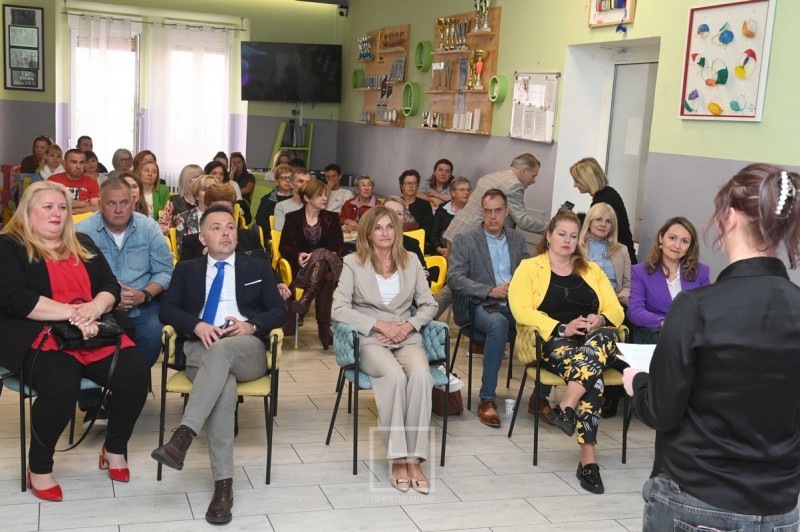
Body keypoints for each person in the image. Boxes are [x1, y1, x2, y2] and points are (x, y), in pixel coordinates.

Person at [622, 164, 800, 530]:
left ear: (730, 218)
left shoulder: (695, 307)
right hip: (780, 504)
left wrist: (638, 382)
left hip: (697, 497)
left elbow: (661, 411)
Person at [0, 181, 148, 501]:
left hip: (92, 331)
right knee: (62, 387)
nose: (57, 213)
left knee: (136, 376)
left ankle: (114, 449)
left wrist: (94, 308)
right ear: (28, 211)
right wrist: (75, 314)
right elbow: (15, 299)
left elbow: (109, 285)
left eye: (62, 207)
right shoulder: (9, 245)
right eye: (48, 207)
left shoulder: (82, 242)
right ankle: (40, 467)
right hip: (40, 335)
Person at [152, 205, 288, 525]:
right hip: (200, 347)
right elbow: (167, 311)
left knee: (223, 353)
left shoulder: (257, 267)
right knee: (223, 388)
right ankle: (223, 489)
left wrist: (250, 326)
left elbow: (279, 311)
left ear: (237, 235)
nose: (225, 232)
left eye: (230, 227)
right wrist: (197, 325)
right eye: (216, 228)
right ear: (202, 238)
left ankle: (183, 436)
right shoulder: (187, 269)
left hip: (246, 349)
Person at [509, 209, 625, 494]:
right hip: (555, 340)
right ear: (548, 236)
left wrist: (600, 319)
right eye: (561, 234)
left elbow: (616, 309)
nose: (567, 240)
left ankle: (566, 407)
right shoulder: (529, 268)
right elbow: (521, 310)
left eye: (573, 236)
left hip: (595, 340)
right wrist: (562, 327)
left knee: (599, 343)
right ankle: (588, 461)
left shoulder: (591, 270)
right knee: (592, 377)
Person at [331, 206, 438, 494]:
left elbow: (429, 304)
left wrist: (410, 325)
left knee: (421, 376)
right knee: (394, 376)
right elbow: (338, 308)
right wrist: (378, 325)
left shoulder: (411, 261)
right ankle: (398, 459)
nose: (385, 233)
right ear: (368, 232)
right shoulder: (353, 262)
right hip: (371, 337)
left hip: (406, 335)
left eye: (390, 226)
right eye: (378, 227)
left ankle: (415, 459)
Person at [448, 189, 531, 428]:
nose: (493, 216)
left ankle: (541, 398)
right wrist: (489, 290)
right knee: (499, 323)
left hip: (513, 304)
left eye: (497, 211)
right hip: (479, 304)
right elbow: (454, 278)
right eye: (488, 211)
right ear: (482, 212)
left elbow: (528, 273)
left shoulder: (517, 239)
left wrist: (518, 288)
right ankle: (487, 399)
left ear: (506, 212)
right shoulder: (466, 239)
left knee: (541, 323)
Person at [77, 177, 173, 368]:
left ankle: (135, 378)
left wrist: (144, 295)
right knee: (88, 336)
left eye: (124, 203)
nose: (119, 209)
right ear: (100, 204)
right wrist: (108, 299)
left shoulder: (149, 227)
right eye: (111, 203)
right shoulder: (82, 231)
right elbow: (75, 277)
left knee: (153, 332)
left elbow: (165, 271)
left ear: (133, 202)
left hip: (143, 303)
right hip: (97, 304)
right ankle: (103, 383)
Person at [279, 179, 344, 349]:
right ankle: (324, 331)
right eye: (320, 195)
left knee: (321, 254)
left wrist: (315, 255)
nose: (325, 198)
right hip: (303, 269)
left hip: (331, 264)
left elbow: (338, 246)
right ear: (307, 198)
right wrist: (298, 255)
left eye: (325, 194)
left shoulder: (332, 217)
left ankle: (305, 300)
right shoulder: (292, 218)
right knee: (327, 278)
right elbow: (284, 246)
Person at [628, 217, 710, 344]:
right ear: (661, 238)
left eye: (684, 241)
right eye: (672, 238)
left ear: (690, 246)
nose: (677, 246)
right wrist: (664, 322)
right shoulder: (640, 271)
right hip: (656, 335)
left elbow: (705, 310)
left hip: (690, 338)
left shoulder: (701, 272)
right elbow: (635, 311)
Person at [443, 153, 547, 244]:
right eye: (533, 176)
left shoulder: (491, 176)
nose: (534, 181)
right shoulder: (513, 185)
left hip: (457, 231)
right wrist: (552, 227)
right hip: (473, 241)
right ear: (524, 171)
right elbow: (523, 221)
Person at [570, 157, 636, 264]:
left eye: (577, 181)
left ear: (588, 180)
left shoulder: (602, 202)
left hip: (617, 260)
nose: (574, 185)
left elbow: (591, 231)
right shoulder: (609, 192)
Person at [579, 202, 631, 304]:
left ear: (612, 226)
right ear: (589, 222)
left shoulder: (622, 250)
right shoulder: (576, 247)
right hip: (584, 301)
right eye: (598, 219)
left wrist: (624, 295)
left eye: (608, 221)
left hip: (614, 301)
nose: (603, 224)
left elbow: (628, 285)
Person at [382, 196, 438, 284]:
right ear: (380, 215)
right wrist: (410, 274)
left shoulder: (412, 244)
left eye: (399, 213)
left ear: (404, 218)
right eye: (389, 212)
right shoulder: (368, 241)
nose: (394, 217)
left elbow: (426, 281)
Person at [174, 179, 231, 256]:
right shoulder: (183, 217)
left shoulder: (225, 216)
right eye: (205, 190)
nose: (209, 193)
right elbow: (182, 250)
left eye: (212, 190)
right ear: (196, 196)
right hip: (195, 260)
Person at [430, 176, 471, 258]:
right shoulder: (442, 209)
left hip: (464, 254)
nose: (466, 192)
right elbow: (433, 233)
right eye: (462, 190)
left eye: (468, 190)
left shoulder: (471, 211)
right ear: (453, 193)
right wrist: (438, 248)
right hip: (442, 252)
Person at [47, 149, 99, 214]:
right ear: (64, 163)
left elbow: (96, 208)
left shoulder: (91, 182)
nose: (78, 166)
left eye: (82, 162)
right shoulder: (53, 180)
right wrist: (84, 204)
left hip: (85, 219)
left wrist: (71, 211)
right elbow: (50, 204)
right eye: (74, 162)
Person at [159, 164, 203, 234]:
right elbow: (162, 225)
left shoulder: (205, 201)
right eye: (197, 177)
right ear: (187, 180)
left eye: (202, 177)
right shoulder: (174, 201)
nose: (201, 180)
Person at [255, 164, 294, 231]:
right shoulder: (268, 199)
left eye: (290, 178)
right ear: (276, 181)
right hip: (273, 233)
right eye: (284, 178)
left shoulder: (299, 198)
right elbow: (261, 220)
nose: (288, 181)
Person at [399, 169, 433, 242]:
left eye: (414, 183)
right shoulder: (395, 202)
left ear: (417, 186)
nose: (411, 186)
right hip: (396, 240)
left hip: (417, 241)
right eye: (407, 183)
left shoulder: (425, 205)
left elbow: (428, 229)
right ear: (402, 186)